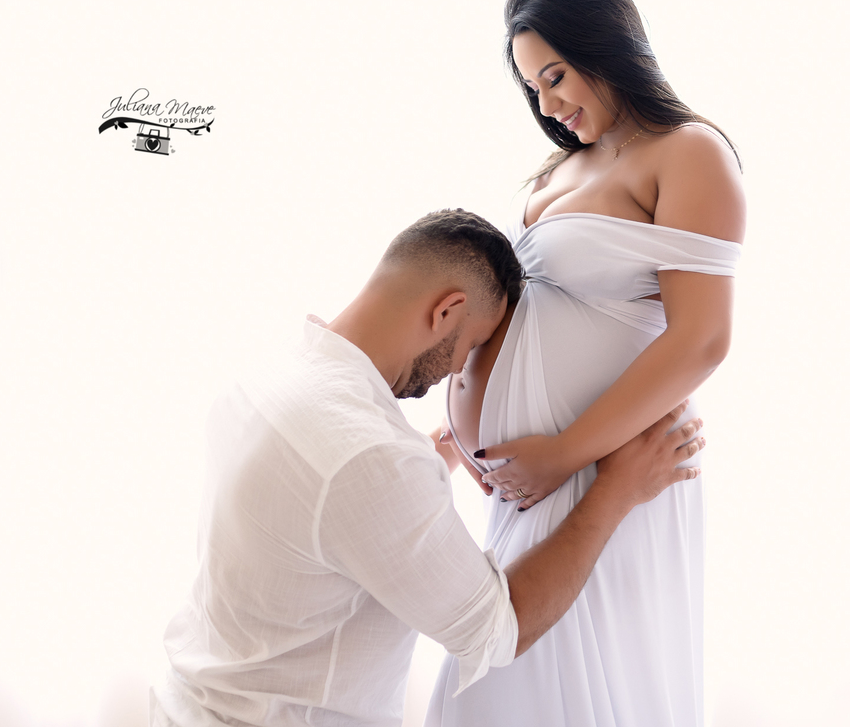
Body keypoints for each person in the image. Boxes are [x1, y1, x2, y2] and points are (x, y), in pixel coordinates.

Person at [149, 209, 706, 727]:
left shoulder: (276, 376)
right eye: (473, 346)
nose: (460, 368)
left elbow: (332, 499)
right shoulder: (370, 457)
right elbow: (497, 629)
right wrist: (616, 489)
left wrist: (443, 448)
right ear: (446, 311)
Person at [425, 0, 746, 727]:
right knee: (501, 674)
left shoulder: (687, 152)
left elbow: (702, 339)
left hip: (604, 465)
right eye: (532, 87)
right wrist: (461, 432)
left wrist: (564, 452)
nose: (547, 104)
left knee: (538, 676)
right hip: (535, 475)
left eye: (556, 75)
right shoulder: (562, 167)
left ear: (608, 45)